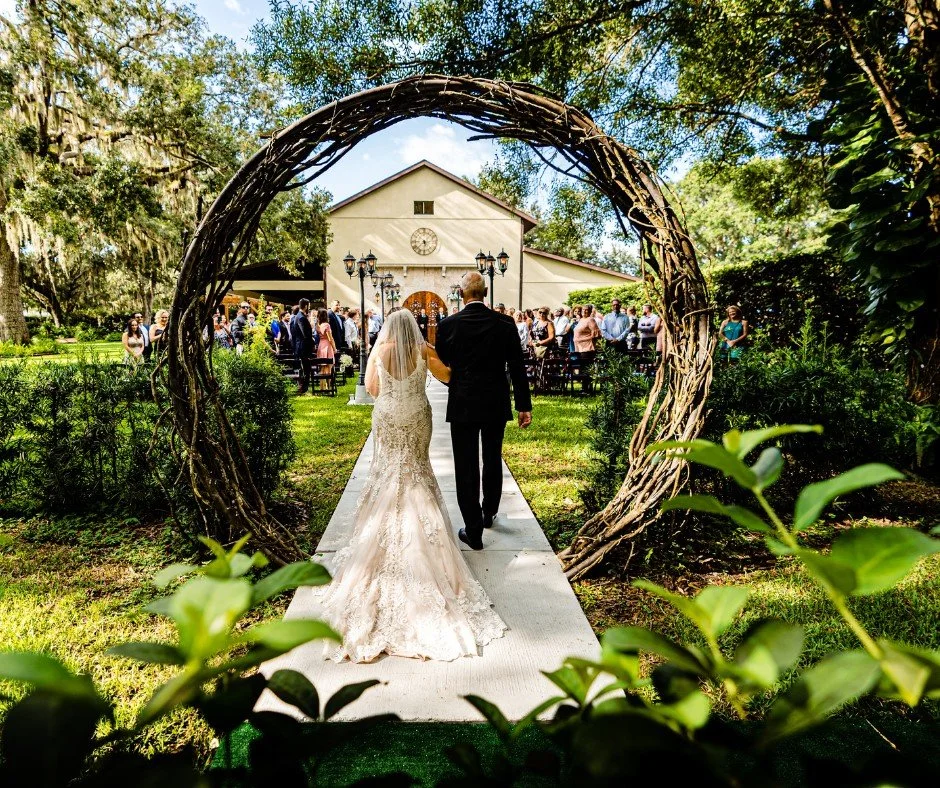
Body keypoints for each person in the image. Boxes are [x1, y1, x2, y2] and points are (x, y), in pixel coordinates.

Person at [313, 308, 505, 663]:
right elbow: (447, 376)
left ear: (389, 327)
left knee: (389, 472)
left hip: (389, 414)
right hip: (417, 414)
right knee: (416, 470)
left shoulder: (380, 349)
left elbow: (371, 389)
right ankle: (428, 540)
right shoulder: (424, 350)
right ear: (413, 328)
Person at [436, 271, 533, 551]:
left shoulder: (449, 325)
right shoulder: (504, 324)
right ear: (485, 292)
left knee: (465, 464)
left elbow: (444, 362)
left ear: (461, 293)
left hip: (463, 401)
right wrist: (524, 406)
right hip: (495, 401)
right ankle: (489, 511)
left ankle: (474, 530)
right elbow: (517, 366)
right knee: (492, 457)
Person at [291, 299, 314, 394]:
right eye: (309, 305)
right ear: (305, 306)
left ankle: (304, 388)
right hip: (303, 347)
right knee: (306, 369)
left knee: (306, 368)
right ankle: (303, 389)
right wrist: (312, 341)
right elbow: (305, 334)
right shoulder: (301, 318)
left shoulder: (300, 316)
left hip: (302, 346)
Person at [316, 307, 336, 391]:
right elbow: (330, 338)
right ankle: (328, 386)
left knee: (323, 367)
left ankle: (322, 387)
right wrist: (334, 348)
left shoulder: (318, 325)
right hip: (327, 345)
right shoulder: (327, 325)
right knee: (329, 367)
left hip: (321, 345)